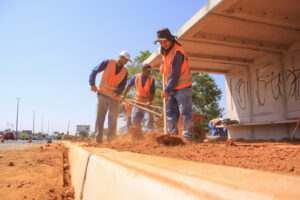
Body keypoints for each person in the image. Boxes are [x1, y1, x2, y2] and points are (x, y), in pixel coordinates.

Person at [154, 28, 194, 141]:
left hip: (182, 87)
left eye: (164, 42)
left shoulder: (177, 52)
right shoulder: (165, 52)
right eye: (161, 42)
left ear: (170, 39)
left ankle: (188, 137)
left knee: (185, 112)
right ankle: (172, 136)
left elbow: (175, 75)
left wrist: (166, 89)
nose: (163, 44)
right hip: (171, 88)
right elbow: (166, 68)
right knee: (170, 112)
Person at [89, 51, 131, 143]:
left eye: (127, 60)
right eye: (126, 60)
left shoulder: (125, 71)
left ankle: (111, 140)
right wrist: (92, 84)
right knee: (100, 117)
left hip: (114, 97)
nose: (126, 62)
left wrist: (117, 93)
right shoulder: (107, 62)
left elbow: (123, 85)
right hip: (102, 94)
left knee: (113, 118)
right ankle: (98, 139)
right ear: (121, 57)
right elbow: (94, 71)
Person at [122, 64, 156, 133]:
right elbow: (128, 86)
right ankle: (137, 136)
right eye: (147, 71)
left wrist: (149, 101)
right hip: (137, 102)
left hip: (146, 103)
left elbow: (152, 92)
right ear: (143, 70)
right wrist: (124, 95)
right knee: (134, 119)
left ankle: (150, 135)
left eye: (150, 71)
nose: (149, 73)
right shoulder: (136, 77)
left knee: (148, 118)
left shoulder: (151, 80)